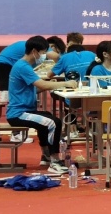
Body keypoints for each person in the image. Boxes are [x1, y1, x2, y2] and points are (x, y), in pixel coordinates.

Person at [5, 36, 79, 173]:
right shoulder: (22, 66)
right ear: (34, 51)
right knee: (54, 122)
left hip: (25, 110)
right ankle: (55, 162)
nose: (45, 56)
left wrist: (53, 85)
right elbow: (42, 84)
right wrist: (65, 83)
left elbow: (35, 88)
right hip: (18, 113)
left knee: (47, 116)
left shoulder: (24, 65)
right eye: (44, 52)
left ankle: (46, 156)